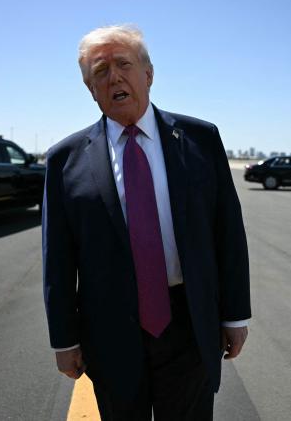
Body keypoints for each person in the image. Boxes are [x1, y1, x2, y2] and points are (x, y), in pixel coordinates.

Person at [42, 25, 250, 420]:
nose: (114, 77)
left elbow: (228, 233)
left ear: (148, 75)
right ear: (90, 89)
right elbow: (58, 259)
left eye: (124, 64)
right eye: (100, 72)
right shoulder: (64, 160)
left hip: (188, 323)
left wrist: (235, 314)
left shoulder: (201, 139)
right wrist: (64, 339)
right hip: (110, 331)